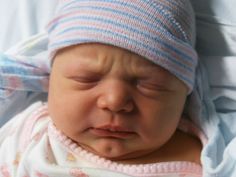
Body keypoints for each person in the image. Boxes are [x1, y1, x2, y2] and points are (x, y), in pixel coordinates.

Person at [0, 0, 205, 176]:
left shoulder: (213, 158)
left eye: (150, 84)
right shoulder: (30, 138)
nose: (114, 101)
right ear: (51, 79)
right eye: (86, 78)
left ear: (184, 93)